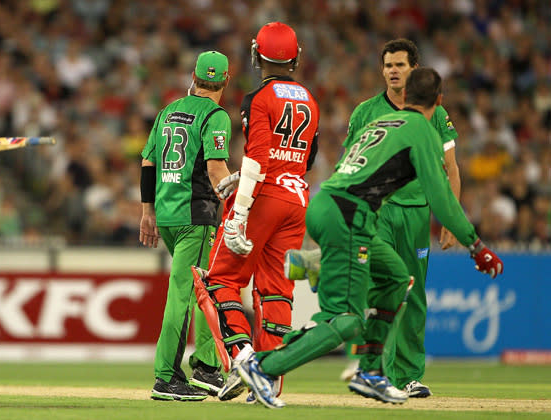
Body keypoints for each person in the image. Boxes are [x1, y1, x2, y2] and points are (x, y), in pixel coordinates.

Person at [236, 67, 504, 409]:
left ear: (405, 97)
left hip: (331, 207)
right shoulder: (422, 129)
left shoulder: (381, 123)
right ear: (438, 100)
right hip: (348, 218)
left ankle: (371, 371)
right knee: (345, 321)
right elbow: (441, 199)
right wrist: (476, 246)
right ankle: (262, 366)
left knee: (395, 278)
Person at [286, 39, 461, 397]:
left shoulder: (436, 113)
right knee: (366, 286)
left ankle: (407, 375)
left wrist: (449, 218)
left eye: (400, 65)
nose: (393, 71)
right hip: (375, 211)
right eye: (388, 65)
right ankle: (368, 365)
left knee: (411, 292)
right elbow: (347, 164)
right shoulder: (366, 111)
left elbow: (451, 169)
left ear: (415, 70)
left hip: (415, 213)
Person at [192, 22, 320, 402]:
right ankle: (273, 377)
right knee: (277, 290)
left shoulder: (259, 98)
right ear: (295, 58)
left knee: (219, 280)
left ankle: (246, 361)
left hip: (262, 197)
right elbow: (307, 158)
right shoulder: (310, 99)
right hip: (297, 198)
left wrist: (241, 211)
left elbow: (258, 159)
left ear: (255, 56)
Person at [140, 50, 233, 401]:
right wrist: (240, 205)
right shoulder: (215, 115)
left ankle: (207, 369)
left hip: (166, 214)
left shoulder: (167, 111)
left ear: (193, 76)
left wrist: (147, 211)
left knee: (203, 289)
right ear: (226, 79)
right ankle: (166, 376)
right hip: (197, 216)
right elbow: (215, 170)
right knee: (186, 293)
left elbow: (148, 161)